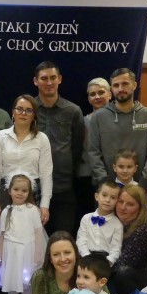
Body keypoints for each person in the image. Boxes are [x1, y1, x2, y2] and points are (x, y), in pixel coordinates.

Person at [33, 61, 85, 236]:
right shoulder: (28, 109)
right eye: (44, 78)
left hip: (63, 188)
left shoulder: (73, 111)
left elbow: (77, 148)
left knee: (62, 238)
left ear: (60, 79)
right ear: (35, 81)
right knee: (36, 241)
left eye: (53, 78)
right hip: (34, 189)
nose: (49, 82)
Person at [88, 68, 147, 190]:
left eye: (125, 84)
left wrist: (141, 185)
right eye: (116, 85)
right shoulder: (99, 117)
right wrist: (107, 184)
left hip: (139, 190)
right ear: (111, 89)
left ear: (134, 85)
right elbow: (93, 154)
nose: (120, 89)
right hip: (107, 191)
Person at [0, 172, 48, 294]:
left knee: (26, 284)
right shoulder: (6, 211)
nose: (20, 193)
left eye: (24, 190)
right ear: (9, 191)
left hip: (27, 251)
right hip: (11, 252)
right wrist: (0, 256)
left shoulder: (33, 210)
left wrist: (38, 254)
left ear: (29, 192)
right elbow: (2, 234)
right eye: (16, 189)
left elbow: (38, 233)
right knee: (12, 283)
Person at [0, 94, 52, 226]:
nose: (23, 113)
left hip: (32, 193)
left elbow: (46, 173)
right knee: (6, 232)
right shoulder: (0, 137)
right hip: (6, 192)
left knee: (30, 233)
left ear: (34, 115)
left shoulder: (42, 139)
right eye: (19, 109)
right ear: (13, 112)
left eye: (28, 110)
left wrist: (45, 205)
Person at [76, 78, 112, 221]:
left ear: (110, 94)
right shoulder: (84, 121)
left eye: (101, 92)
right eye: (92, 94)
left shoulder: (119, 119)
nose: (97, 97)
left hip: (112, 176)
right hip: (88, 178)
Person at [76, 179, 123, 265]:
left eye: (113, 197)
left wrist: (106, 263)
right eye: (104, 195)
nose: (108, 200)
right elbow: (81, 241)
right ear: (96, 196)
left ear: (117, 201)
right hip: (86, 260)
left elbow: (116, 249)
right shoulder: (86, 219)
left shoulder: (117, 224)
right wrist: (87, 258)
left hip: (106, 262)